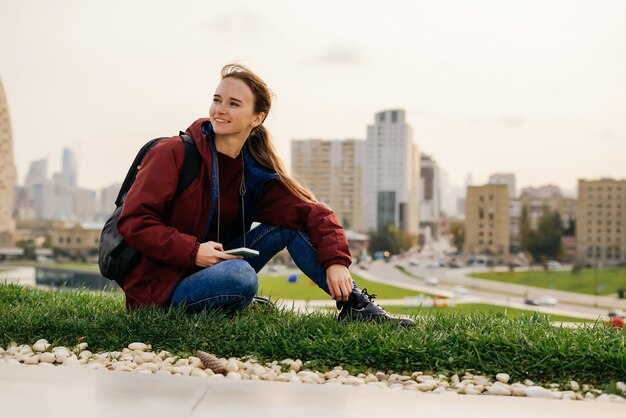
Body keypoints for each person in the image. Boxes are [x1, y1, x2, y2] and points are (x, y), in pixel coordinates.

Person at [117, 63, 414, 326]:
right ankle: (228, 297)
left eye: (233, 104)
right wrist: (193, 250)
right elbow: (134, 222)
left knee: (291, 227)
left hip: (218, 264)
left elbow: (312, 212)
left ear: (256, 118)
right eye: (217, 100)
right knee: (242, 277)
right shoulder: (173, 152)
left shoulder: (252, 171)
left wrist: (337, 262)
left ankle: (356, 307)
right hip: (162, 287)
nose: (220, 110)